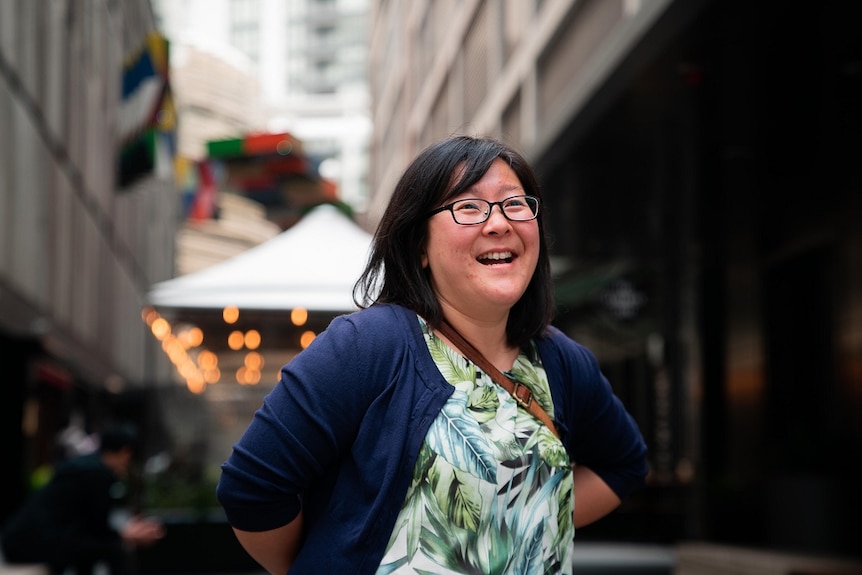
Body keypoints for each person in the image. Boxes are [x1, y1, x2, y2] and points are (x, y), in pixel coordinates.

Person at [216, 135, 648, 575]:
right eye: (468, 207)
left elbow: (624, 464)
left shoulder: (560, 361)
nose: (498, 223)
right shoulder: (369, 344)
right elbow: (253, 487)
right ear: (418, 245)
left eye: (515, 204)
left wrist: (521, 523)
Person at [1, 423, 165, 575]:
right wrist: (126, 535)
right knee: (111, 549)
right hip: (30, 544)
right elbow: (97, 527)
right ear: (125, 452)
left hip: (20, 540)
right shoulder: (97, 474)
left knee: (95, 548)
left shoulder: (86, 465)